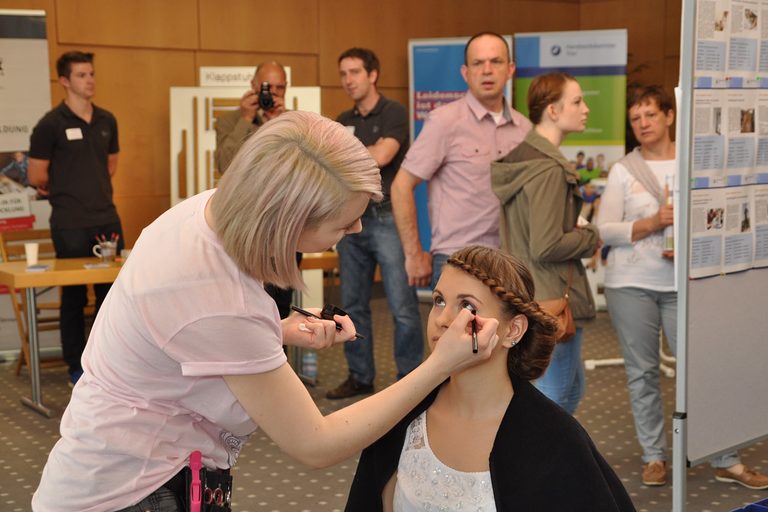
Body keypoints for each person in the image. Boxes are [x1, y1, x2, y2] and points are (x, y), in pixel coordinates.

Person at [32, 111, 499, 512]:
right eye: (344, 220)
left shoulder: (208, 211)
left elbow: (189, 338)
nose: (356, 229)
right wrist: (439, 366)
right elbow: (315, 443)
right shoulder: (216, 293)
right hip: (132, 489)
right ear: (289, 220)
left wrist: (272, 331)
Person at [345, 246, 636, 511]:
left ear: (513, 331)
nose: (443, 319)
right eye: (438, 300)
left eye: (468, 307)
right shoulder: (400, 417)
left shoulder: (556, 439)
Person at [597, 85, 768, 489]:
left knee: (701, 372)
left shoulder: (697, 161)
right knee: (643, 374)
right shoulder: (624, 169)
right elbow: (603, 230)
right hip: (631, 284)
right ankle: (654, 456)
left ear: (670, 116)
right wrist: (652, 223)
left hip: (687, 285)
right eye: (635, 118)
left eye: (650, 115)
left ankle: (723, 457)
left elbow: (719, 219)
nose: (642, 124)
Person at [491, 72, 600, 414]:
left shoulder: (524, 158)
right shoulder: (549, 169)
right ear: (552, 111)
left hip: (530, 290)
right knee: (555, 400)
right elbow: (546, 244)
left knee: (567, 389)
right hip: (552, 297)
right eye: (577, 101)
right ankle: (534, 466)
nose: (586, 109)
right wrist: (591, 237)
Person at [391, 31, 531, 289]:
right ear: (465, 73)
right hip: (458, 258)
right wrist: (413, 254)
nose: (487, 70)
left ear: (510, 69)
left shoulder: (525, 128)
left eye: (496, 61)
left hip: (511, 259)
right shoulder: (444, 121)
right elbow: (401, 186)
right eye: (478, 63)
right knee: (454, 331)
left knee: (508, 331)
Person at [326, 48, 423, 399]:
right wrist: (365, 151)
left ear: (373, 75)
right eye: (343, 73)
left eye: (354, 72)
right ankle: (360, 376)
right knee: (352, 306)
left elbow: (382, 157)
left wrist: (350, 154)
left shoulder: (394, 112)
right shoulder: (341, 119)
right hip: (350, 221)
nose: (348, 80)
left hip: (386, 220)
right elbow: (332, 163)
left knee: (403, 306)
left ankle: (412, 379)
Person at [27, 51, 124, 386]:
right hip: (69, 222)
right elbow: (37, 175)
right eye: (82, 75)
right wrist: (71, 188)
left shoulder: (107, 120)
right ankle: (75, 366)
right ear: (65, 81)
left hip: (106, 220)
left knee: (112, 296)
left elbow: (110, 165)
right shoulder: (50, 125)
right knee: (73, 297)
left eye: (92, 73)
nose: (90, 80)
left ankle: (108, 363)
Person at [214, 60, 296, 319]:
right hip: (244, 228)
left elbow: (300, 171)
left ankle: (278, 358)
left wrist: (280, 123)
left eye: (279, 88)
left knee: (279, 309)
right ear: (253, 86)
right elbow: (227, 165)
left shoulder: (294, 121)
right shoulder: (230, 121)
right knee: (240, 307)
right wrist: (247, 119)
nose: (273, 94)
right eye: (267, 88)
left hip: (283, 227)